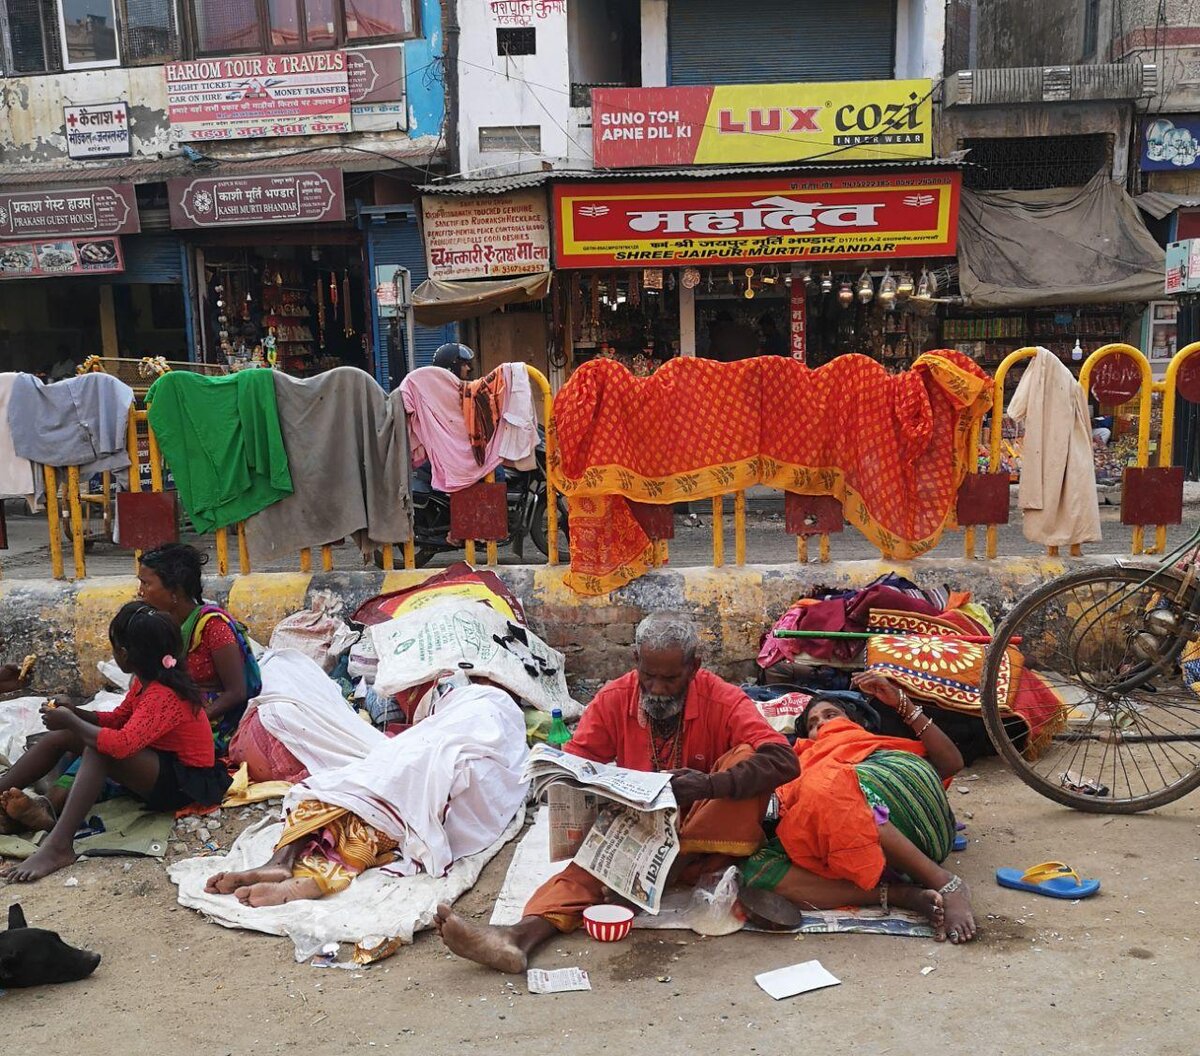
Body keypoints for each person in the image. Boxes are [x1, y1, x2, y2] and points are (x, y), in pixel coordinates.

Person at [435, 613, 800, 974]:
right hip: (646, 835)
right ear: (635, 661)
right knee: (585, 874)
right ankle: (516, 938)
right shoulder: (614, 698)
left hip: (710, 840)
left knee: (747, 761)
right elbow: (576, 765)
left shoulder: (723, 699)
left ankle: (662, 872)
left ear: (694, 667)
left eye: (671, 679)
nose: (657, 689)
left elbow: (784, 760)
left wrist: (705, 784)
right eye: (649, 676)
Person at [741, 670, 977, 944]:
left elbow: (951, 763)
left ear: (856, 723)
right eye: (814, 723)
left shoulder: (881, 747)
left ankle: (947, 883)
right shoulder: (805, 762)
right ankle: (899, 894)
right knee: (758, 872)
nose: (823, 725)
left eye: (831, 715)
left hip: (906, 815)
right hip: (880, 857)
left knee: (839, 791)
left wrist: (905, 704)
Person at [0, 602, 230, 882]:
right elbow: (119, 718)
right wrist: (75, 712)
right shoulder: (145, 681)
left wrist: (73, 721)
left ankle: (59, 846)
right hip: (162, 767)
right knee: (63, 736)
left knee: (99, 750)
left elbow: (120, 745)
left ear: (123, 654)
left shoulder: (164, 694)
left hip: (185, 783)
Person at [137, 543, 259, 754]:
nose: (140, 592)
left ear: (174, 590)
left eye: (146, 584)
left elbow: (236, 692)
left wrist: (192, 719)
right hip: (173, 716)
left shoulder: (213, 626)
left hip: (214, 724)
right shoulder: (161, 624)